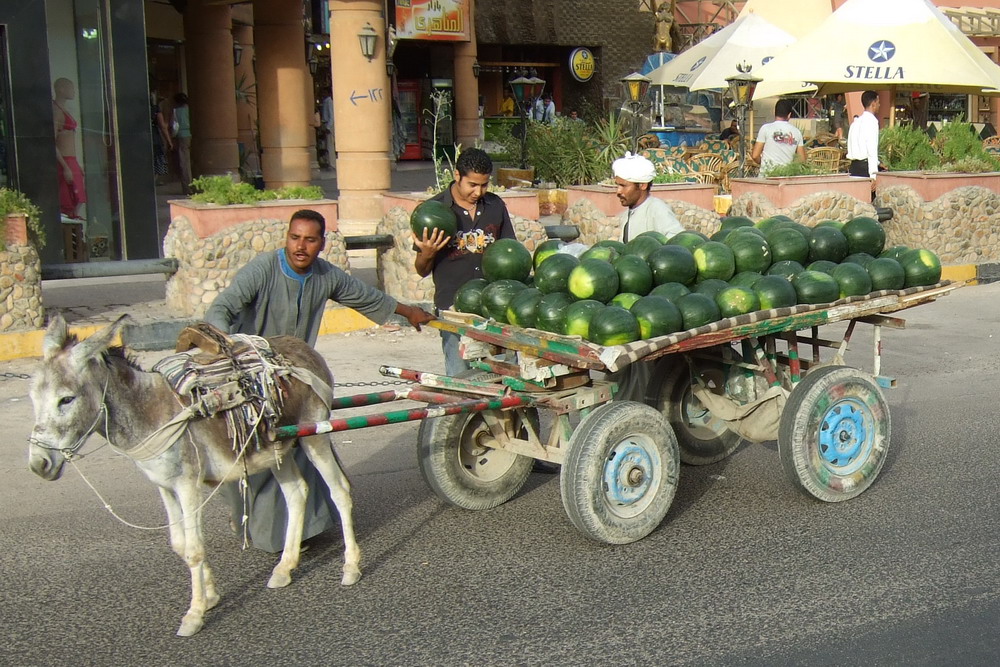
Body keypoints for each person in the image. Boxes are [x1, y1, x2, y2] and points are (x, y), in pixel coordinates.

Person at [205, 209, 433, 552]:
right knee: (252, 455)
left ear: (321, 244)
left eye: (310, 240)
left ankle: (299, 530)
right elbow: (223, 307)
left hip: (295, 375)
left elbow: (366, 296)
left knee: (299, 445)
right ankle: (266, 529)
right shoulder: (263, 270)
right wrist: (227, 345)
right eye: (295, 238)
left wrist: (409, 311)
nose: (301, 246)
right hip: (252, 372)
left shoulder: (326, 276)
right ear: (287, 238)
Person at [413, 147, 515, 378]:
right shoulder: (434, 211)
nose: (478, 192)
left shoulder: (495, 206)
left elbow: (509, 251)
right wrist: (427, 253)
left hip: (493, 306)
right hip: (452, 309)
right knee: (460, 378)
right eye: (472, 185)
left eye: (484, 185)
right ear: (457, 176)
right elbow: (421, 270)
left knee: (501, 377)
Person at [613, 152, 684, 243]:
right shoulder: (629, 212)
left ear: (642, 185)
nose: (618, 191)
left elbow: (677, 239)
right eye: (618, 186)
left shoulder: (657, 209)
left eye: (623, 186)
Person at [53, 78, 86, 219]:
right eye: (70, 87)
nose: (73, 91)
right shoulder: (56, 111)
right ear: (61, 89)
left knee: (79, 198)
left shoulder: (63, 110)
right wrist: (65, 166)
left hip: (71, 160)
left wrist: (76, 164)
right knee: (68, 199)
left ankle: (75, 233)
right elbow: (51, 142)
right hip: (64, 160)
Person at [750, 98, 806, 176]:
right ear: (789, 115)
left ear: (774, 112)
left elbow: (755, 155)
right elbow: (802, 160)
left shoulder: (765, 128)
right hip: (785, 177)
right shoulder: (797, 132)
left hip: (766, 176)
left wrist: (763, 163)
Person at [846, 90, 882, 200]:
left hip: (854, 167)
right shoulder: (871, 122)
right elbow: (871, 150)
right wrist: (873, 176)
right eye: (878, 102)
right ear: (874, 103)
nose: (879, 105)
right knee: (868, 204)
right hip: (865, 169)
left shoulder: (855, 123)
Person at [172, 93, 193, 196]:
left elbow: (175, 126)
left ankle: (187, 188)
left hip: (181, 136)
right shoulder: (190, 110)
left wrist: (172, 137)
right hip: (190, 134)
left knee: (184, 162)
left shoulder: (176, 111)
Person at [151, 93, 173, 184]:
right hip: (154, 136)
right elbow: (163, 126)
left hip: (140, 138)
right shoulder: (155, 109)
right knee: (157, 160)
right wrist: (169, 141)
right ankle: (153, 181)